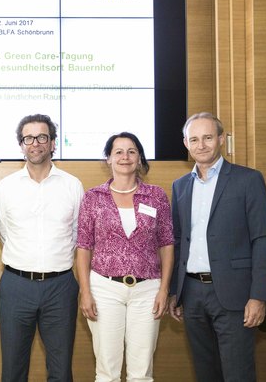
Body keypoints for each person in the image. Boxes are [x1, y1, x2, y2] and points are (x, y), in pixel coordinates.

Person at [168, 112, 266, 382]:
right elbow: (179, 240)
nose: (201, 145)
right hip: (191, 294)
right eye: (194, 139)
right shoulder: (180, 186)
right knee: (206, 372)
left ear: (221, 139)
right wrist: (175, 292)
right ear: (185, 143)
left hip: (235, 294)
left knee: (237, 373)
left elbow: (262, 238)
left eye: (207, 137)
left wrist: (259, 295)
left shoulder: (248, 180)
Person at [76, 132, 174, 382]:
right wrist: (85, 291)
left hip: (148, 291)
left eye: (131, 151)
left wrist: (164, 290)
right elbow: (84, 247)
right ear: (108, 158)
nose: (125, 157)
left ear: (139, 158)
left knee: (141, 372)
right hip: (104, 289)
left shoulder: (156, 196)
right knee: (107, 371)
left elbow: (166, 244)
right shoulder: (93, 198)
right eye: (118, 151)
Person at [0, 114, 84, 382]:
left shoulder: (72, 185)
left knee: (60, 369)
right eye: (28, 138)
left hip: (61, 287)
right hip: (15, 285)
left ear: (53, 143)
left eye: (42, 137)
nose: (35, 143)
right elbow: (4, 232)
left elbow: (79, 235)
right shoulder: (7, 187)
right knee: (12, 368)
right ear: (21, 144)